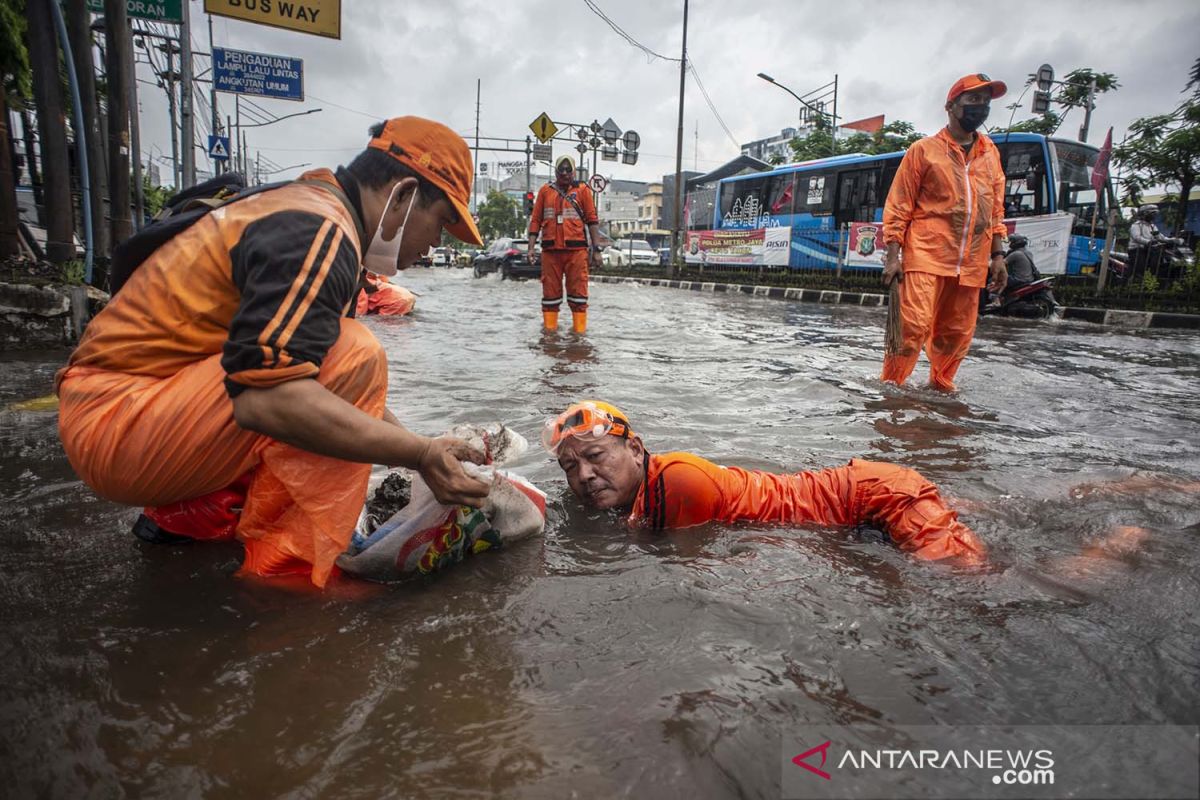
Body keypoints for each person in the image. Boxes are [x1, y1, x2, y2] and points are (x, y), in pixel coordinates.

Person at [56, 116, 492, 587]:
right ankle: (291, 576)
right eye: (442, 222)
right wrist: (418, 454)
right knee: (357, 353)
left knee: (329, 363)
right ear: (403, 195)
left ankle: (186, 520)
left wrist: (417, 447)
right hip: (117, 423)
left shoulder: (306, 206)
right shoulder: (321, 230)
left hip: (127, 409)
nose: (435, 244)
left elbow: (318, 380)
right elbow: (271, 398)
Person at [543, 401, 985, 563]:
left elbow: (683, 567)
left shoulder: (678, 481)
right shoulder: (645, 486)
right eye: (570, 467)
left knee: (971, 580)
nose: (583, 475)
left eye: (596, 456)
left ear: (636, 449)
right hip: (857, 503)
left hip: (874, 498)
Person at [880, 73, 1010, 392]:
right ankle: (891, 389)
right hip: (926, 254)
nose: (980, 108)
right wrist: (893, 257)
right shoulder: (923, 151)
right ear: (951, 106)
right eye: (973, 100)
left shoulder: (991, 154)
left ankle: (940, 388)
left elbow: (995, 210)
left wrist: (998, 256)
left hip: (972, 263)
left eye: (986, 101)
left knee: (956, 333)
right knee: (912, 325)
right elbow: (899, 205)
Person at [528, 155, 601, 334]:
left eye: (569, 170)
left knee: (579, 295)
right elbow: (536, 220)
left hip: (576, 251)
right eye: (562, 170)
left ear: (574, 172)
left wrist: (597, 250)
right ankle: (550, 334)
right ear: (556, 172)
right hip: (550, 251)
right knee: (550, 296)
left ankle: (579, 335)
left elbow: (592, 220)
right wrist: (531, 247)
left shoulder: (583, 191)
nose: (565, 173)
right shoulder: (545, 191)